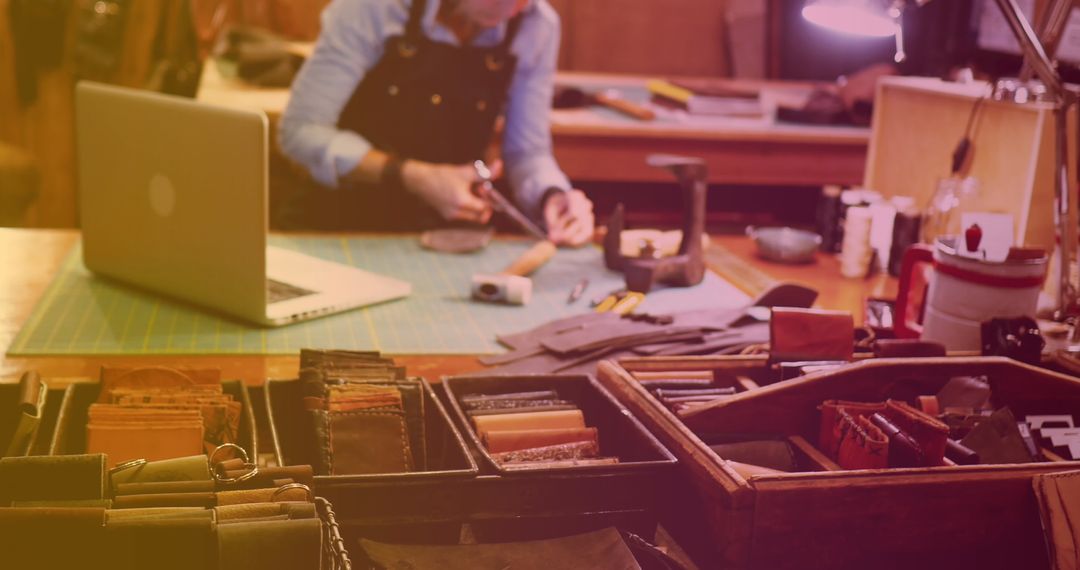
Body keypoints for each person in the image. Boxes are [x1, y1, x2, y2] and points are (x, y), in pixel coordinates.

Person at [278, 0, 594, 246]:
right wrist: (413, 176)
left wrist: (552, 195)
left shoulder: (537, 24)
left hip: (445, 237)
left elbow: (527, 153)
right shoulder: (374, 7)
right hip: (341, 225)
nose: (512, 8)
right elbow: (300, 131)